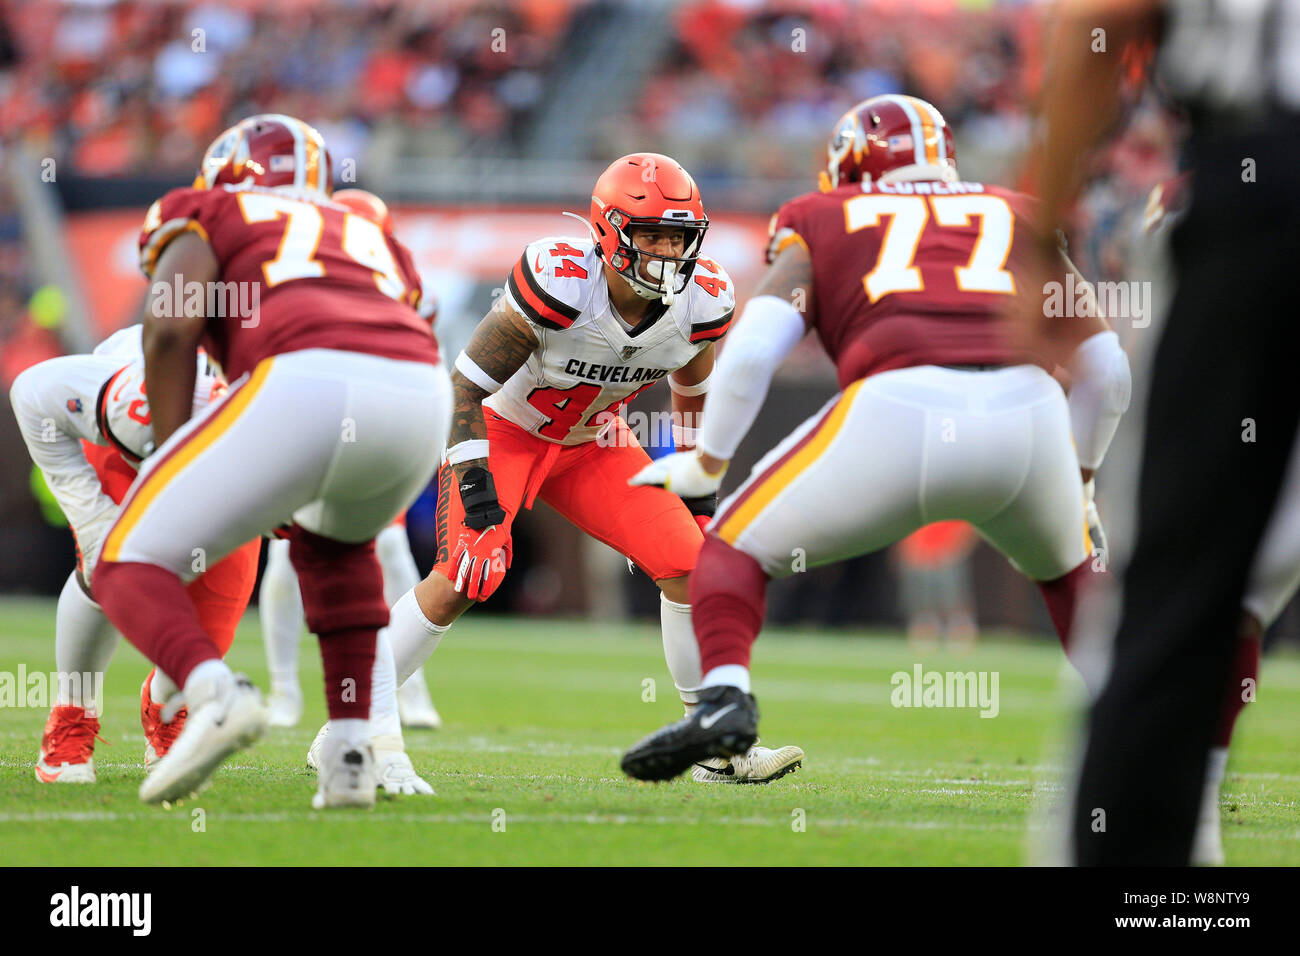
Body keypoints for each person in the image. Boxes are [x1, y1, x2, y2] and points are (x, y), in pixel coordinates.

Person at [620, 95, 1131, 782]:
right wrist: (1084, 481)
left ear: (851, 163)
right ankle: (1148, 738)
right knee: (1074, 586)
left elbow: (748, 356)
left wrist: (708, 460)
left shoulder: (822, 215)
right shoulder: (1018, 210)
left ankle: (724, 703)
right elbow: (1109, 369)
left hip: (899, 404)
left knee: (728, 552)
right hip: (1031, 414)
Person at [377, 152, 803, 784]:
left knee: (691, 563)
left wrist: (697, 489)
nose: (667, 252)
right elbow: (463, 390)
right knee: (468, 572)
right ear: (608, 232)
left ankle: (714, 743)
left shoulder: (703, 301)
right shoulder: (561, 280)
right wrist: (478, 489)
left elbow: (692, 390)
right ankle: (352, 727)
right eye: (652, 234)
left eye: (679, 236)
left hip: (594, 440)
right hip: (502, 428)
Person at [92, 114, 449, 809]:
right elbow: (416, 317)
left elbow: (169, 327)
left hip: (303, 380)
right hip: (417, 396)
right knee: (340, 554)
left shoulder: (207, 209)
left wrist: (169, 460)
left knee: (124, 556)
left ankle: (212, 692)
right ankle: (351, 754)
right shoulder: (369, 232)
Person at [10, 325, 258, 782]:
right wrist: (89, 516)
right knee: (106, 567)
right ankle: (72, 716)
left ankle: (167, 706)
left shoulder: (282, 436)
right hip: (126, 456)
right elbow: (31, 392)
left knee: (216, 610)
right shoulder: (134, 403)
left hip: (236, 471)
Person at [257, 188, 443, 734]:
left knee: (387, 545)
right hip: (306, 420)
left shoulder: (408, 287)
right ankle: (284, 688)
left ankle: (407, 684)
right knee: (286, 555)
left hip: (372, 423)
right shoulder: (295, 278)